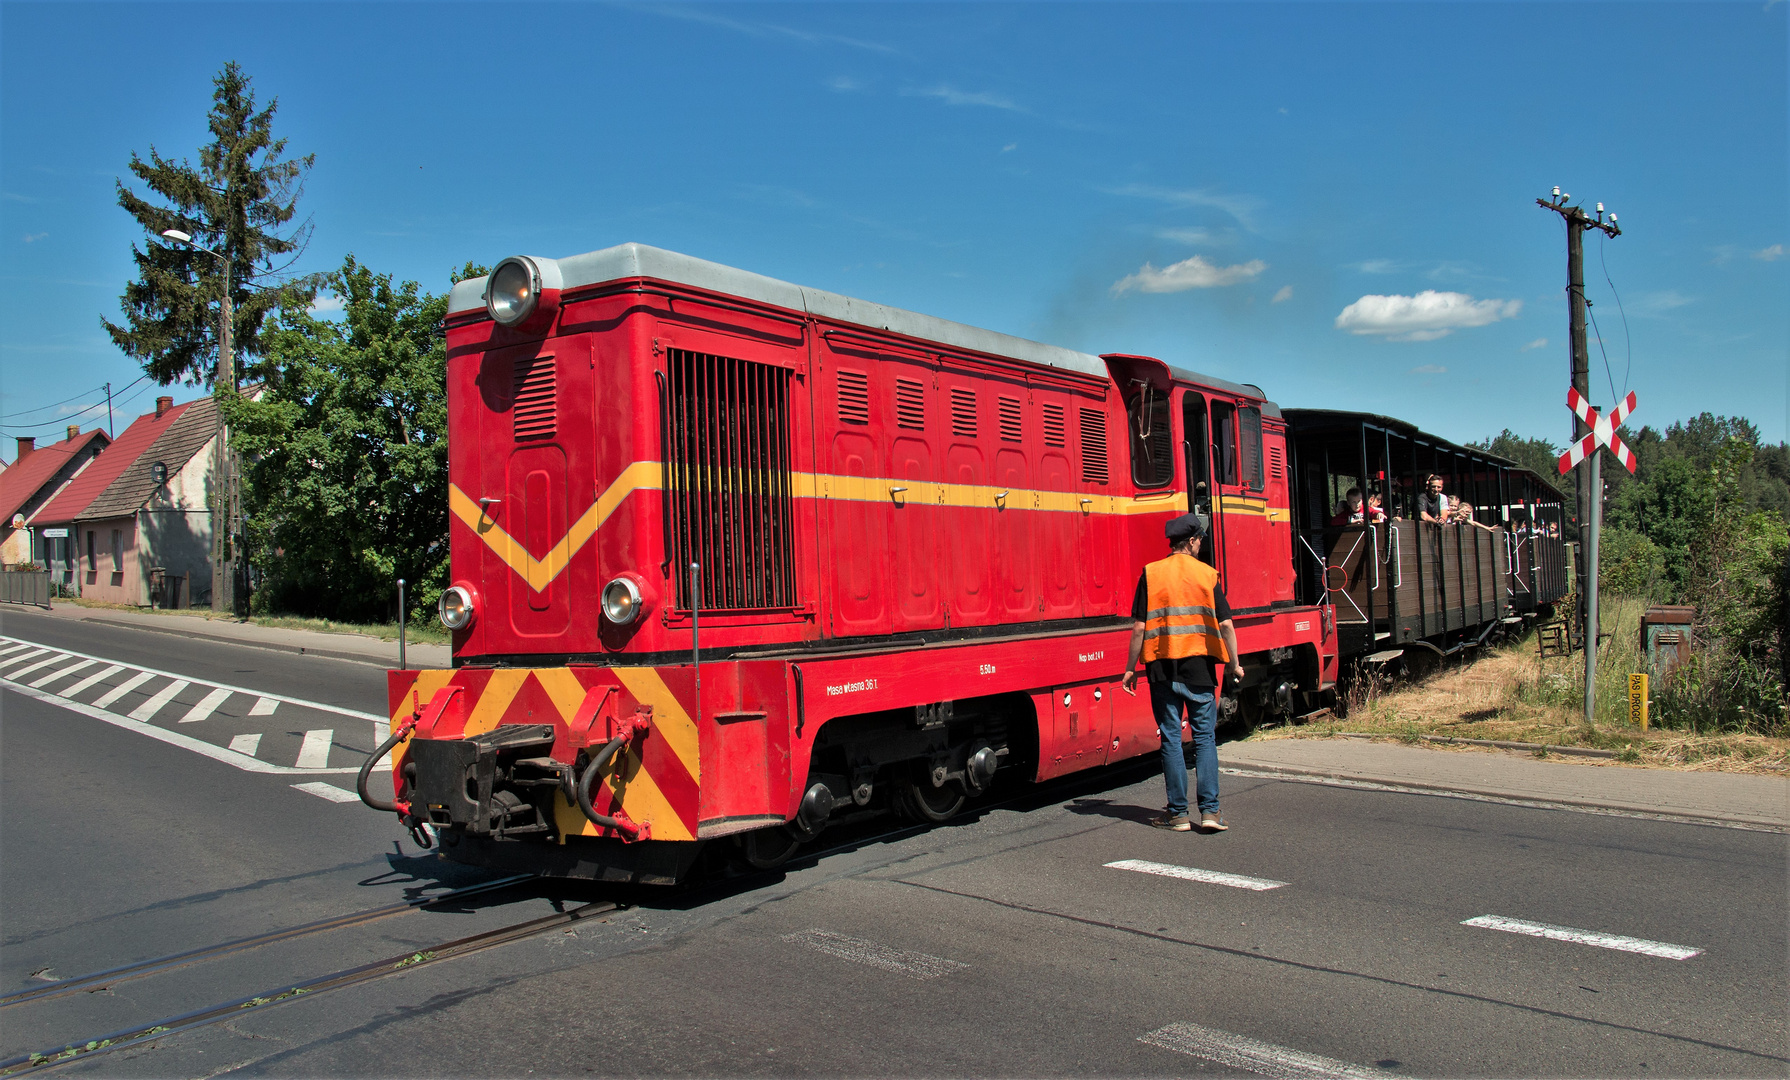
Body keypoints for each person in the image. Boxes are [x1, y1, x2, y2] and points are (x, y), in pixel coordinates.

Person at [1120, 513, 1244, 833]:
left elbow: (1138, 628)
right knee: (1204, 738)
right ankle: (1210, 813)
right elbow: (1227, 625)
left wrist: (1130, 669)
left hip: (1161, 669)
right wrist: (1233, 662)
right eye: (1200, 539)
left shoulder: (1152, 573)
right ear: (1190, 542)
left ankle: (1176, 814)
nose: (1201, 544)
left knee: (1172, 739)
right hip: (1200, 669)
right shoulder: (1207, 575)